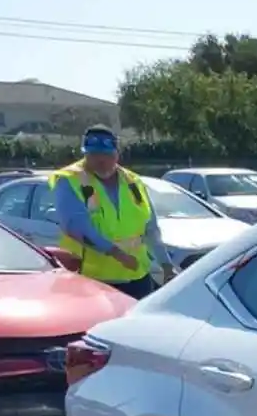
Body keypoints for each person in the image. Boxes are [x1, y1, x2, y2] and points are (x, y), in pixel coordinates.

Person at [48, 127, 169, 300]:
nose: (100, 160)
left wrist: (166, 265)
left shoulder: (132, 181)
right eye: (93, 155)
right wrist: (118, 254)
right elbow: (76, 227)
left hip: (137, 276)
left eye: (106, 155)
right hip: (92, 279)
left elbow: (150, 227)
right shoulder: (70, 180)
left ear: (116, 154)